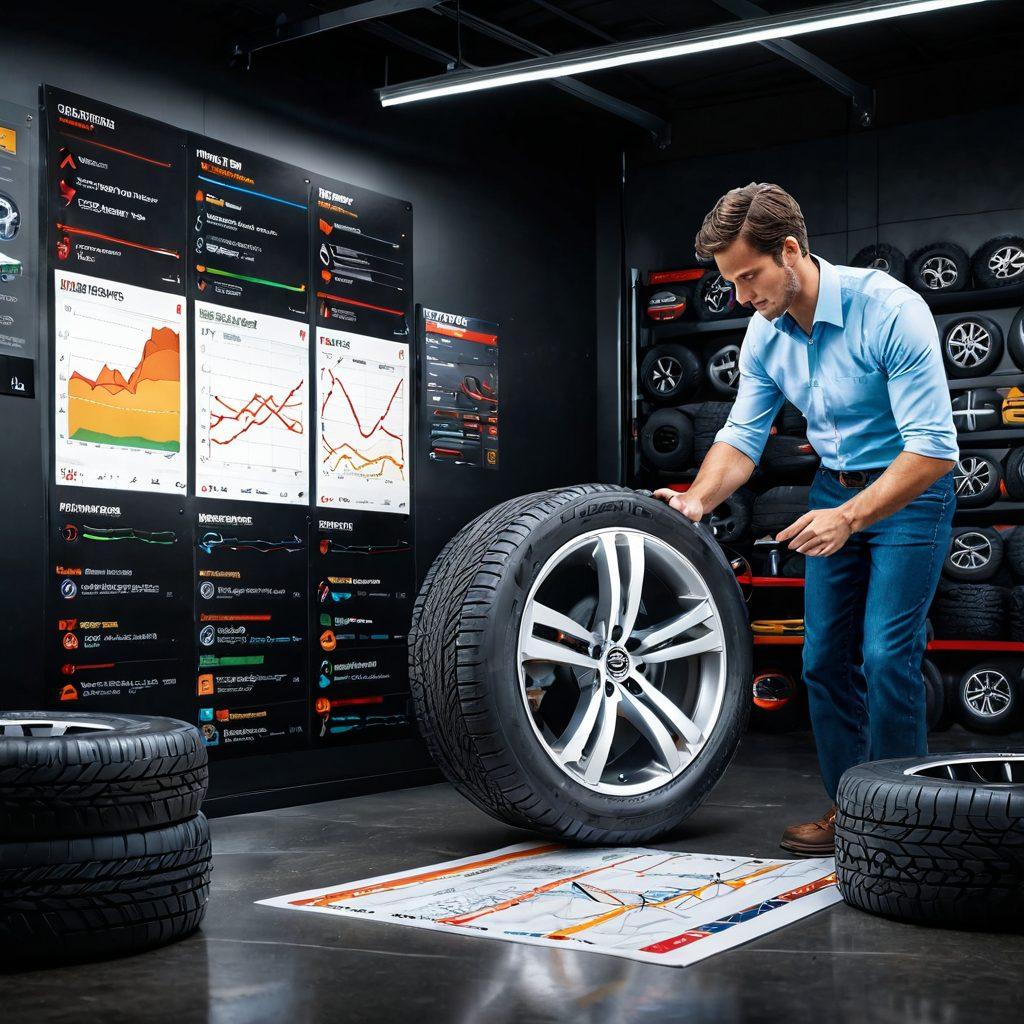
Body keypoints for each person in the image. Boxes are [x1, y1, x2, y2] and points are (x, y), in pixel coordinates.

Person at [655, 182, 958, 855]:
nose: (741, 297)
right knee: (822, 661)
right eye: (730, 282)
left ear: (790, 250)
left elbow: (934, 450)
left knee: (886, 654)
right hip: (834, 489)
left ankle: (904, 820)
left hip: (910, 493)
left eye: (749, 276)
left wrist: (849, 516)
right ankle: (851, 810)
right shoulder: (764, 333)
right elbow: (741, 437)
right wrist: (698, 499)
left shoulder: (890, 312)